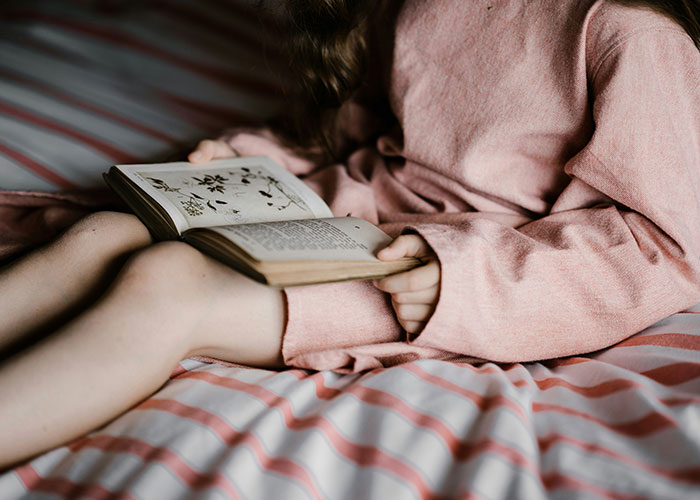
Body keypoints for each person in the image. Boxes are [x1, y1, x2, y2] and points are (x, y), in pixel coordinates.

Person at [1, 0, 699, 469]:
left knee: (167, 285)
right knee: (104, 233)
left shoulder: (627, 32)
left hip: (434, 275)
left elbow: (663, 247)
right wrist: (259, 164)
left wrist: (463, 281)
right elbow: (369, 137)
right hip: (340, 221)